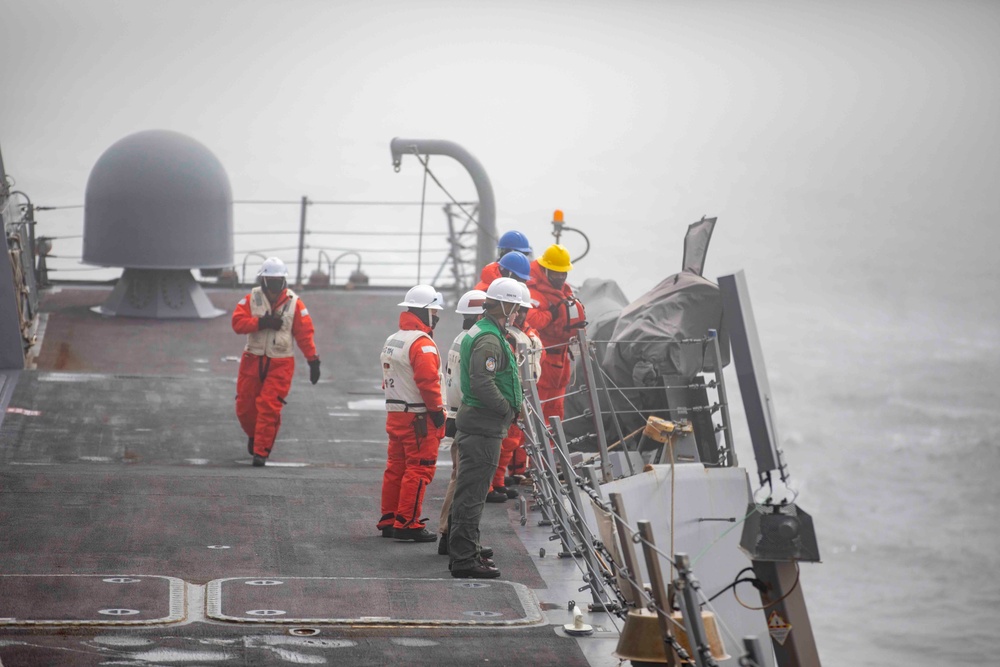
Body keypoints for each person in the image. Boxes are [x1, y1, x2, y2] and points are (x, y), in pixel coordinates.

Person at [448, 277, 524, 579]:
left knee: (469, 491)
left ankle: (466, 547)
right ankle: (465, 559)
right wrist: (507, 409)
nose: (517, 313)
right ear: (506, 306)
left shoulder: (482, 329)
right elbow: (482, 382)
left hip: (477, 423)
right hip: (483, 426)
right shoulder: (491, 339)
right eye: (515, 307)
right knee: (473, 494)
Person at [232, 257, 321, 467]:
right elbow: (237, 323)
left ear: (283, 281)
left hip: (281, 363)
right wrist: (261, 322)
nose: (272, 284)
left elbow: (305, 335)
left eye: (277, 279)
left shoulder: (295, 304)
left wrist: (313, 361)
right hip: (251, 360)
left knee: (269, 406)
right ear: (263, 280)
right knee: (244, 407)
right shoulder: (250, 299)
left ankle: (261, 451)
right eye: (269, 279)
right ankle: (254, 436)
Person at [377, 284, 447, 542]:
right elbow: (428, 381)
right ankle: (407, 523)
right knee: (419, 469)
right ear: (426, 312)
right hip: (419, 418)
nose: (437, 318)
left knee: (396, 467)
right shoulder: (422, 344)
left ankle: (390, 517)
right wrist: (437, 411)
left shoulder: (393, 340)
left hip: (396, 413)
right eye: (435, 312)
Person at [436, 289, 488, 556]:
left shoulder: (458, 339)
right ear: (482, 313)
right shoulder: (475, 340)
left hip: (455, 415)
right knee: (464, 481)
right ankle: (450, 535)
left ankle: (449, 535)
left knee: (458, 478)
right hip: (466, 417)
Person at [526, 244, 586, 425]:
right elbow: (533, 320)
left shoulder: (564, 292)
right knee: (536, 412)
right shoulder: (532, 291)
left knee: (555, 414)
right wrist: (552, 313)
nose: (560, 277)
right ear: (545, 269)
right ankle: (533, 452)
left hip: (561, 363)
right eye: (555, 272)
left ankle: (551, 451)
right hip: (541, 362)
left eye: (563, 273)